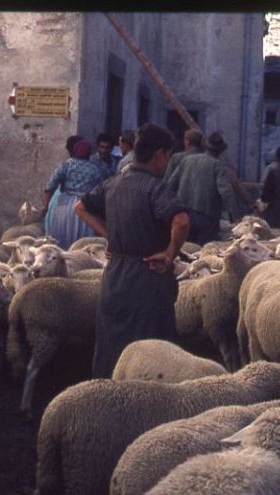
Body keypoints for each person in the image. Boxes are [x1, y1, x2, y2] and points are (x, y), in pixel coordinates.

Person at [74, 123, 190, 378]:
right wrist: (170, 253)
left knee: (111, 353)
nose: (166, 163)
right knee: (151, 357)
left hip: (114, 279)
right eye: (168, 157)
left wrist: (110, 236)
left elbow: (80, 207)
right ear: (160, 153)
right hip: (147, 280)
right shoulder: (156, 187)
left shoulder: (113, 183)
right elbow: (181, 221)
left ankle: (106, 408)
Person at [166, 131, 241, 244]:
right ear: (220, 151)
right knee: (205, 252)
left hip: (184, 214)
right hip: (207, 217)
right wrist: (236, 216)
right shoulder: (217, 165)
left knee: (185, 249)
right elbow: (226, 192)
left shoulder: (187, 160)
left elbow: (170, 185)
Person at [42, 139, 111, 249]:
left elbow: (50, 186)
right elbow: (100, 190)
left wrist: (45, 206)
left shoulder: (66, 166)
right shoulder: (94, 169)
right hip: (85, 206)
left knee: (62, 233)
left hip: (64, 204)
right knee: (83, 237)